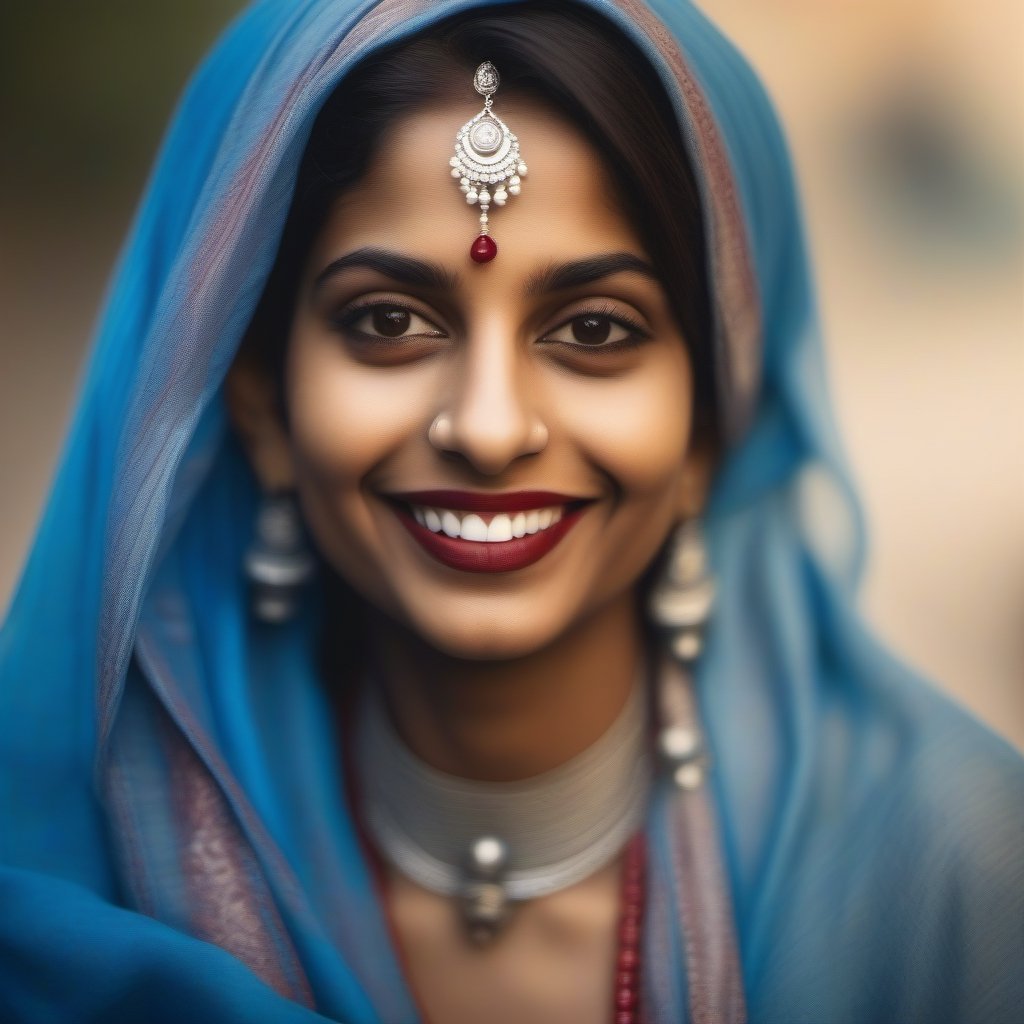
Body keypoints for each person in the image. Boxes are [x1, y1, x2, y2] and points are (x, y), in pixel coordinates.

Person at [0, 1, 1020, 1022]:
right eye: (390, 321)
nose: (487, 429)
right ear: (261, 400)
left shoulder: (944, 882)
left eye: (593, 328)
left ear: (710, 423)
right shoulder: (87, 871)